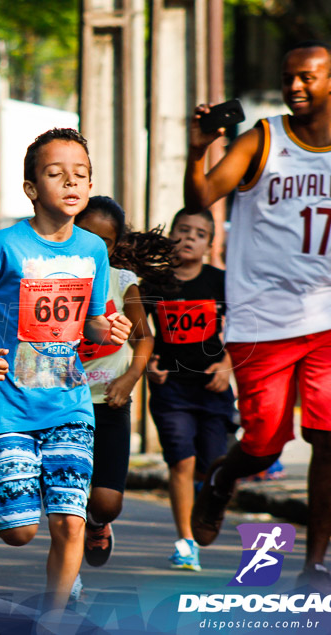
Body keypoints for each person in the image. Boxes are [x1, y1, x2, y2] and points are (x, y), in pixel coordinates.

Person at [184, 40, 331, 591]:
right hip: (262, 319)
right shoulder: (263, 137)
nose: (295, 86)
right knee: (264, 443)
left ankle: (314, 565)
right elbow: (201, 199)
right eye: (289, 77)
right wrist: (200, 150)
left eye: (307, 78)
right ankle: (220, 478)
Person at [0, 128, 131, 612]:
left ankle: (54, 619)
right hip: (7, 401)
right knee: (20, 532)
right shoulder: (3, 246)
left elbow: (89, 323)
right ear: (31, 188)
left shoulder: (93, 249)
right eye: (56, 174)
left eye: (81, 175)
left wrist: (107, 329)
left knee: (71, 520)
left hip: (68, 401)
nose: (71, 183)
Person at [73, 197, 167, 573]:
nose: (95, 247)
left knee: (107, 503)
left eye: (105, 241)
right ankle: (68, 565)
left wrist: (128, 381)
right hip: (62, 404)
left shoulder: (122, 282)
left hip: (109, 401)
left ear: (115, 246)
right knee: (68, 500)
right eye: (86, 235)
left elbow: (145, 338)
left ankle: (97, 524)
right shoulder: (52, 278)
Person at [145, 208, 234, 571]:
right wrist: (147, 362)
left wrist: (227, 363)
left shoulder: (220, 282)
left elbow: (243, 325)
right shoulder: (154, 283)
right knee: (181, 461)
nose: (189, 237)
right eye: (182, 230)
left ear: (210, 245)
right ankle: (185, 542)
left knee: (213, 465)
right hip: (172, 388)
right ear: (171, 236)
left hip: (211, 386)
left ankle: (206, 499)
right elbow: (141, 332)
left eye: (199, 233)